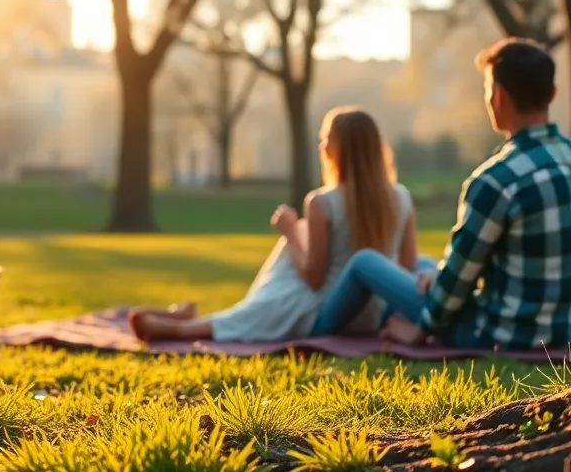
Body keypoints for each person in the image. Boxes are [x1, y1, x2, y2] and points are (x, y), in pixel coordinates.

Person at [309, 38, 571, 350]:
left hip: (501, 335)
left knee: (365, 262)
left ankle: (315, 333)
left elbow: (457, 284)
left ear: (498, 98)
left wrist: (422, 328)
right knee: (425, 266)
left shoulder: (496, 180)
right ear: (552, 94)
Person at [130, 107, 418, 342]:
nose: (323, 145)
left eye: (327, 138)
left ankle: (186, 328)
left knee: (286, 266)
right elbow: (406, 269)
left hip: (330, 317)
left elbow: (314, 278)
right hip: (376, 316)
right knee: (300, 244)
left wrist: (290, 232)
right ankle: (194, 317)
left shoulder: (323, 202)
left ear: (338, 149)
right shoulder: (402, 197)